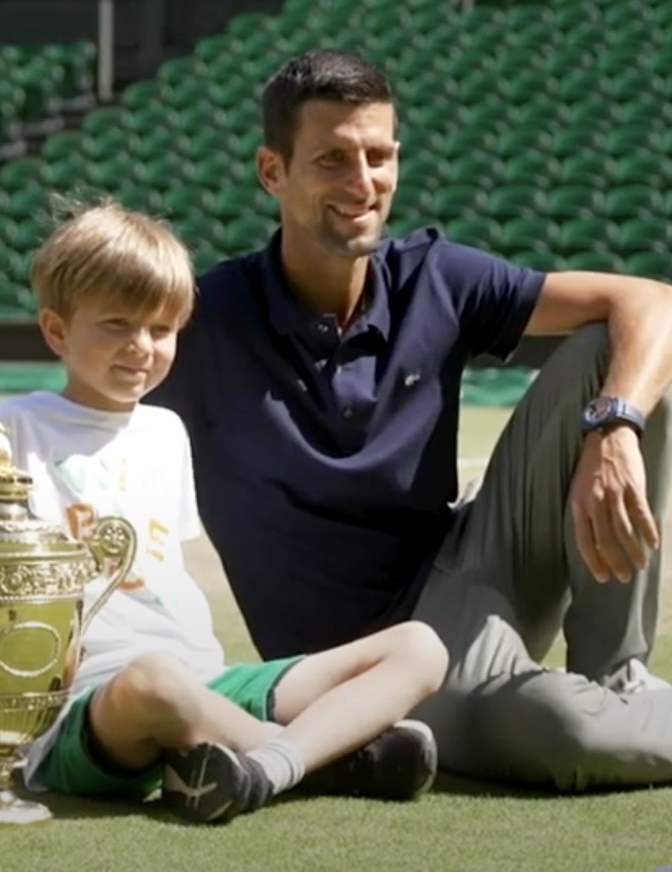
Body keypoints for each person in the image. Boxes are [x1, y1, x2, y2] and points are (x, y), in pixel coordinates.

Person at [142, 48, 672, 791]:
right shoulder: (205, 326)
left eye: (378, 156)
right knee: (566, 729)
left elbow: (653, 301)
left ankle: (618, 675)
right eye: (331, 159)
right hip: (365, 669)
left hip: (471, 568)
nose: (363, 183)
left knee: (614, 356)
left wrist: (612, 429)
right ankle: (604, 710)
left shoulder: (434, 276)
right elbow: (87, 469)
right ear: (273, 171)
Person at [0, 202, 447, 823]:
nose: (141, 347)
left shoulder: (167, 430)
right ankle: (321, 759)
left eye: (161, 329)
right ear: (57, 330)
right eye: (117, 324)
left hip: (206, 679)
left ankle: (254, 763)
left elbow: (167, 572)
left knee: (420, 648)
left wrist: (216, 683)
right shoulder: (15, 427)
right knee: (153, 681)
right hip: (90, 700)